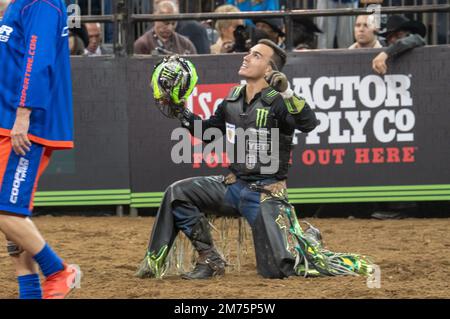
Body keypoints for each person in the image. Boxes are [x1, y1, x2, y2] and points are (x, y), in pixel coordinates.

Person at [136, 40, 373, 280]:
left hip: (264, 194)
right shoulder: (232, 98)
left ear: (270, 70)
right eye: (248, 53)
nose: (246, 57)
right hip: (232, 187)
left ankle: (307, 239)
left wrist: (287, 91)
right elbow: (208, 132)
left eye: (256, 55)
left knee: (278, 269)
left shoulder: (280, 101)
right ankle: (209, 258)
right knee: (177, 193)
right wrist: (182, 112)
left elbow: (308, 123)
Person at [0, 0, 80, 299]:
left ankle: (58, 271)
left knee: (5, 210)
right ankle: (31, 293)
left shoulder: (41, 3)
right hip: (10, 120)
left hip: (24, 124)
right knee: (12, 215)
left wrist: (23, 114)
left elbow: (38, 58)